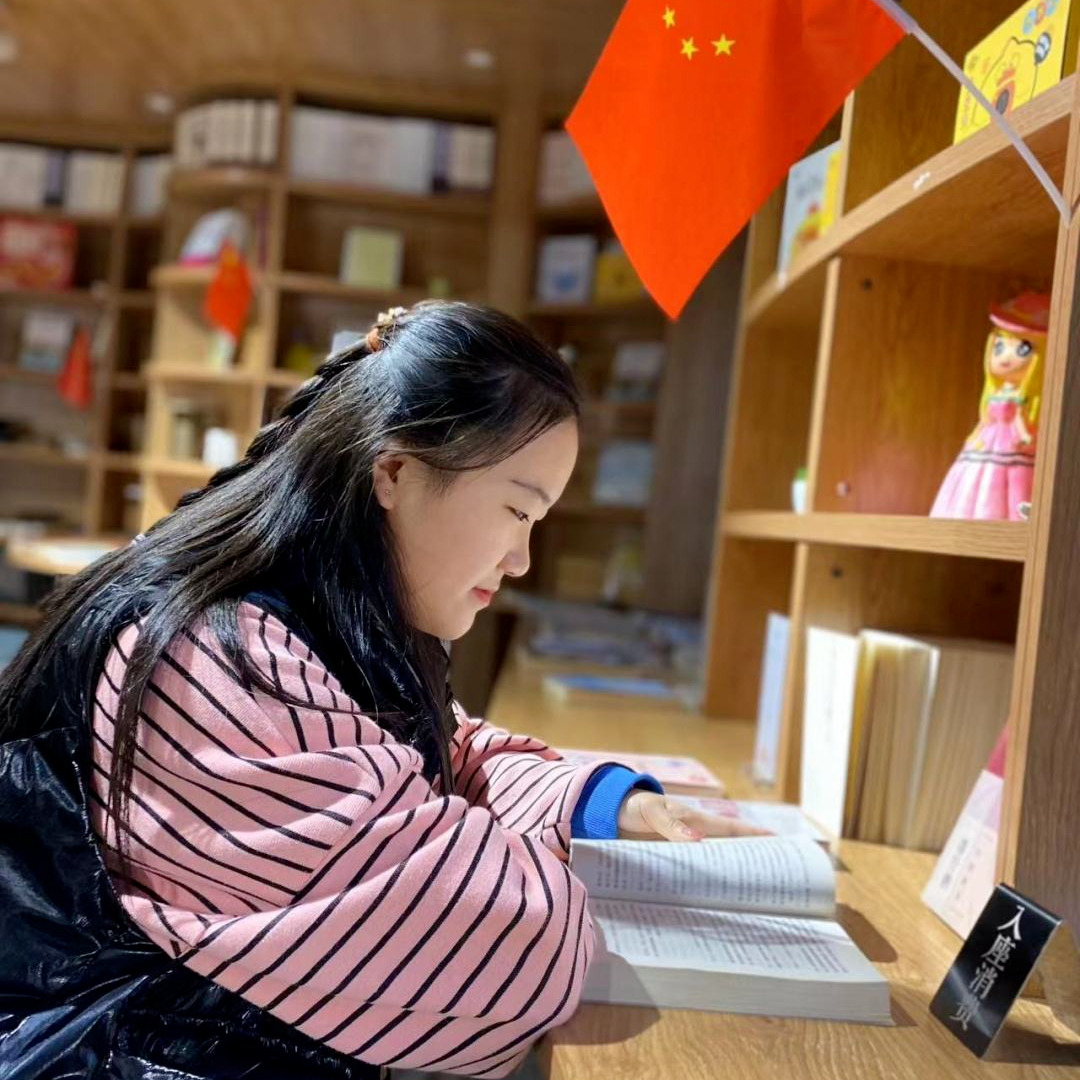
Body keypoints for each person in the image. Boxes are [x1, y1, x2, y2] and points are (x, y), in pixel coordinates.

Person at [0, 300, 763, 1080]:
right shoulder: (220, 663)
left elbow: (449, 756)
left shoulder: (326, 610)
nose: (521, 560)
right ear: (395, 473)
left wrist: (597, 807)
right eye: (516, 510)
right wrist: (528, 861)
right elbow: (512, 949)